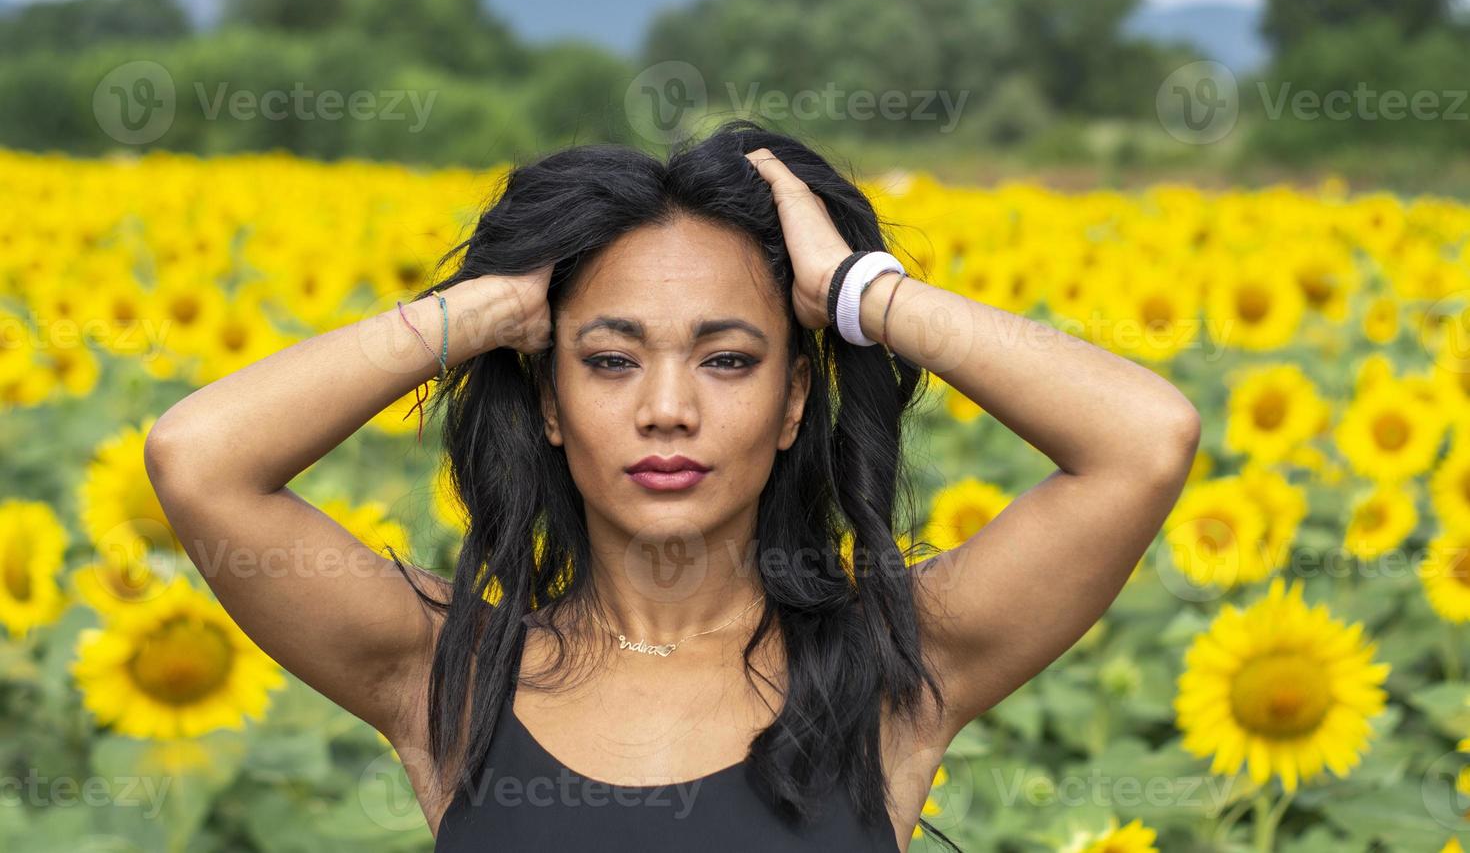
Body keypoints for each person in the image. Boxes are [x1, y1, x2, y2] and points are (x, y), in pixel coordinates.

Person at [143, 118, 1201, 852]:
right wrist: (484, 311)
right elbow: (199, 459)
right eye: (608, 359)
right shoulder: (449, 672)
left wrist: (855, 293)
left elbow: (1144, 438)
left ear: (795, 404)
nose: (666, 407)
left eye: (729, 358)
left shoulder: (891, 668)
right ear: (550, 402)